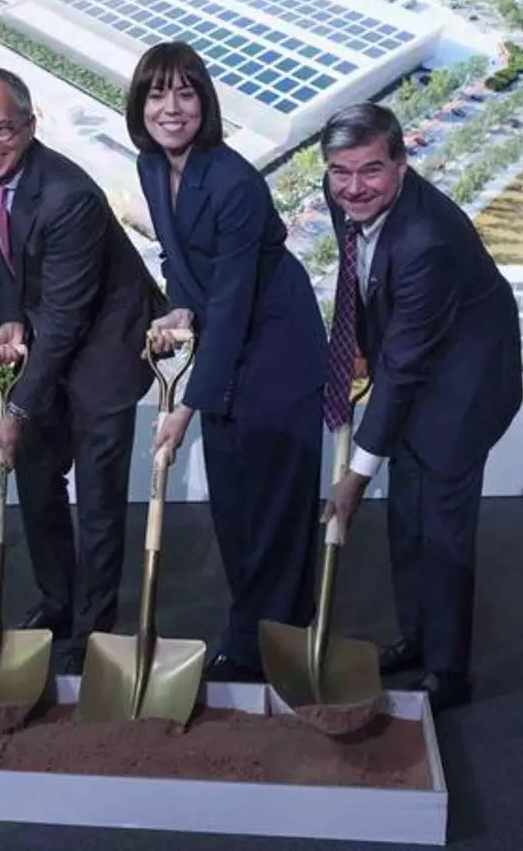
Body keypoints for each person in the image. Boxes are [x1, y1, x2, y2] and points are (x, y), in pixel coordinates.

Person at [0, 66, 166, 674]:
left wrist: (18, 407)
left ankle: (92, 630)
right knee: (37, 474)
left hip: (107, 339)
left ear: (29, 125)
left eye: (1, 130)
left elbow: (70, 320)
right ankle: (58, 602)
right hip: (51, 323)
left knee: (97, 495)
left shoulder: (69, 197)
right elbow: (0, 255)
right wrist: (13, 318)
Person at [128, 41, 328, 682]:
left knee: (274, 514)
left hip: (276, 350)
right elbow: (179, 258)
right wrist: (180, 308)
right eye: (157, 94)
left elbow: (236, 300)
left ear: (206, 103)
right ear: (139, 105)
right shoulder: (152, 167)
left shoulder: (234, 181)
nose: (171, 108)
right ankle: (257, 636)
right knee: (236, 510)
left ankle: (265, 649)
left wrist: (186, 407)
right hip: (225, 345)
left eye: (185, 93)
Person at [319, 101, 523, 711]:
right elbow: (357, 271)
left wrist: (354, 480)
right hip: (412, 354)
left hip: (464, 382)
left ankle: (448, 672)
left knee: (442, 528)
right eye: (341, 171)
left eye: (371, 170)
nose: (354, 187)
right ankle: (417, 637)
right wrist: (356, 340)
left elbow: (406, 369)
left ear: (401, 165)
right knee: (407, 517)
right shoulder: (343, 194)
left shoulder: (427, 240)